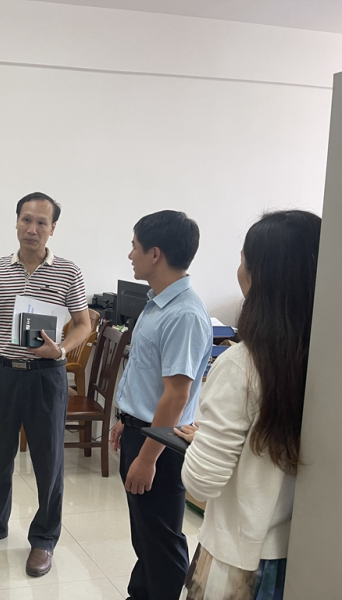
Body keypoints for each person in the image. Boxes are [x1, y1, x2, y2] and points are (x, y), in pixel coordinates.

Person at [174, 210, 321, 600]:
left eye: (243, 260)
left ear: (259, 276)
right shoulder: (324, 360)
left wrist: (202, 443)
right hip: (306, 554)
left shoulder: (241, 365)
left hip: (238, 561)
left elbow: (202, 481)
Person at [0, 192, 92, 577]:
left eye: (41, 222)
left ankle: (44, 538)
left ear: (52, 229)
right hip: (3, 372)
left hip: (46, 376)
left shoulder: (68, 271)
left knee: (48, 461)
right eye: (26, 220)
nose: (32, 229)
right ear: (16, 222)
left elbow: (84, 324)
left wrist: (61, 350)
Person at [108, 210, 213, 600]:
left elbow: (177, 395)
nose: (130, 255)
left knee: (163, 541)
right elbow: (147, 376)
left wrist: (147, 457)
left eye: (134, 247)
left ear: (155, 254)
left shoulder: (184, 314)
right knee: (146, 534)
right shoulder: (157, 304)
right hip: (143, 430)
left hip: (161, 445)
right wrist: (126, 418)